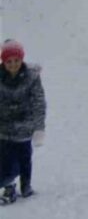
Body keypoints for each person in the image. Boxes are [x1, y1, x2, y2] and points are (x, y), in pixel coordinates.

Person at [0, 40, 45, 205]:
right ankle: (9, 186)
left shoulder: (31, 78)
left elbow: (38, 103)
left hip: (25, 127)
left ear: (22, 59)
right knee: (6, 162)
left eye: (16, 60)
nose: (13, 65)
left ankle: (26, 186)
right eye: (9, 61)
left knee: (24, 159)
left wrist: (39, 128)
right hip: (3, 129)